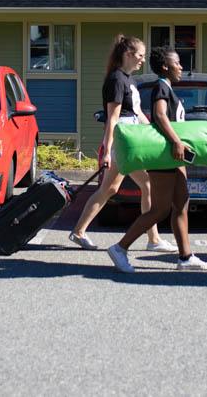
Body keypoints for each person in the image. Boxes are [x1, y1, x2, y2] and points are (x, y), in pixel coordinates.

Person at [107, 46, 207, 273]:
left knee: (182, 203)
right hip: (165, 156)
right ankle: (120, 248)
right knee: (160, 209)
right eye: (178, 63)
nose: (181, 67)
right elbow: (159, 115)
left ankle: (185, 257)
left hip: (176, 158)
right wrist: (176, 141)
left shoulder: (168, 88)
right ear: (166, 66)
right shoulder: (161, 88)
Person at [68, 35, 175, 253]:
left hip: (131, 139)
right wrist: (107, 150)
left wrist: (158, 132)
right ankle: (153, 240)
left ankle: (78, 231)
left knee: (111, 188)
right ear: (128, 54)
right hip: (123, 141)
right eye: (140, 55)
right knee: (143, 185)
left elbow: (137, 113)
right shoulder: (116, 79)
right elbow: (113, 118)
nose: (143, 60)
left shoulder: (128, 79)